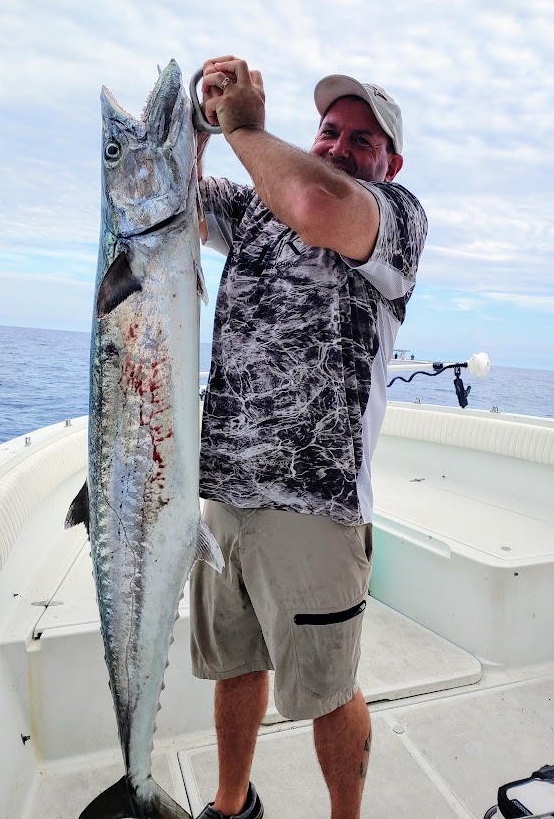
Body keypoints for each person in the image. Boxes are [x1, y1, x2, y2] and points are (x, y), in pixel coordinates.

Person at [190, 55, 428, 819]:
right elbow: (168, 201)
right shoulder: (257, 202)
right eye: (329, 130)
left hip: (315, 507)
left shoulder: (394, 217)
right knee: (235, 663)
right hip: (225, 492)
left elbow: (316, 203)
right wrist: (204, 118)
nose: (338, 146)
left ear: (389, 161)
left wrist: (245, 127)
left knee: (326, 688)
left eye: (362, 139)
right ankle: (231, 805)